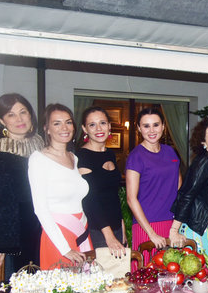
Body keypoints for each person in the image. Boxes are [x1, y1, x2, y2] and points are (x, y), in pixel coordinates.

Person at [0, 93, 44, 276]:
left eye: (23, 112)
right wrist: (1, 245)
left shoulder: (43, 149)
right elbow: (0, 205)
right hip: (19, 235)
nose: (19, 119)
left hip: (45, 227)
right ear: (1, 121)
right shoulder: (0, 157)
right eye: (11, 114)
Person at [28, 104, 91, 269]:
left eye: (68, 122)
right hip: (58, 236)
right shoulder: (38, 159)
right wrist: (65, 249)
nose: (64, 128)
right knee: (63, 285)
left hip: (82, 230)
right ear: (46, 128)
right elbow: (40, 209)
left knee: (87, 282)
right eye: (57, 123)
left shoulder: (74, 158)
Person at [125, 106, 181, 250]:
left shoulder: (170, 152)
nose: (152, 130)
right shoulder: (136, 156)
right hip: (147, 225)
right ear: (139, 128)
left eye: (156, 125)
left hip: (173, 224)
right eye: (146, 126)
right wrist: (151, 233)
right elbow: (131, 199)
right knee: (147, 265)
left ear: (163, 126)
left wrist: (178, 223)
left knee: (174, 264)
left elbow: (179, 188)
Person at [168, 118, 208, 254]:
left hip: (204, 225)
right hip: (196, 229)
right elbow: (187, 195)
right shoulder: (205, 162)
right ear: (203, 143)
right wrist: (174, 230)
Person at [76, 107, 125, 256]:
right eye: (92, 124)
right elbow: (90, 200)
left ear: (109, 126)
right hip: (97, 229)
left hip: (116, 226)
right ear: (85, 129)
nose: (98, 128)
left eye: (102, 123)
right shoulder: (82, 156)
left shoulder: (110, 153)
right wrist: (109, 236)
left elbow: (113, 196)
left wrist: (122, 228)